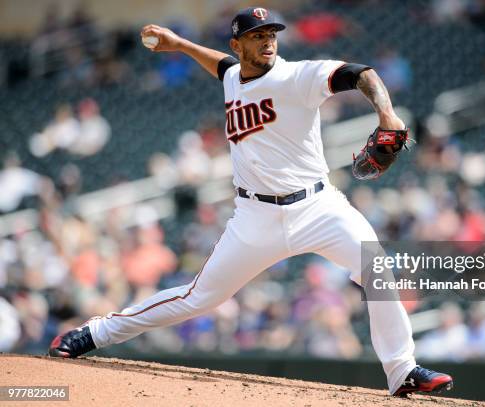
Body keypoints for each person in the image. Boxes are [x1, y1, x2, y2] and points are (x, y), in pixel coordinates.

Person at [48, 7, 453, 397]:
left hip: (318, 208)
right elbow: (222, 67)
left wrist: (387, 115)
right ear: (237, 45)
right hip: (255, 217)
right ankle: (94, 333)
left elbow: (360, 73)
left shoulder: (297, 76)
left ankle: (402, 371)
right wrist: (182, 44)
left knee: (376, 268)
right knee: (198, 297)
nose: (267, 42)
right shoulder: (233, 76)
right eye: (256, 36)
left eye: (271, 34)